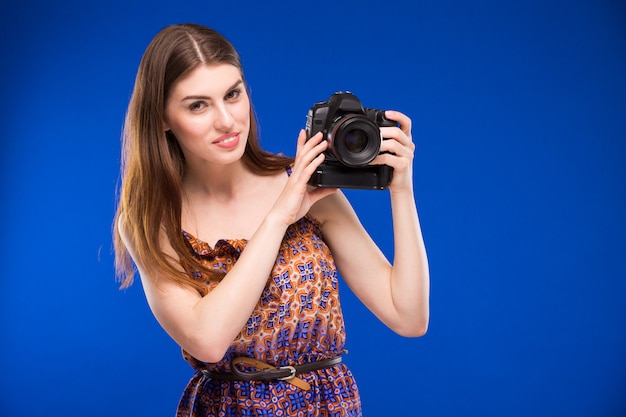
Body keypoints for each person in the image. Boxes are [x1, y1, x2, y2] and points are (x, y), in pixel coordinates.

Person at [114, 23, 429, 417]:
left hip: (327, 406)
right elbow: (208, 340)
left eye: (233, 94)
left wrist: (401, 190)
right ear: (162, 118)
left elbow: (409, 316)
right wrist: (280, 216)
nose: (227, 121)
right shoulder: (150, 219)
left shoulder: (307, 186)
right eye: (198, 105)